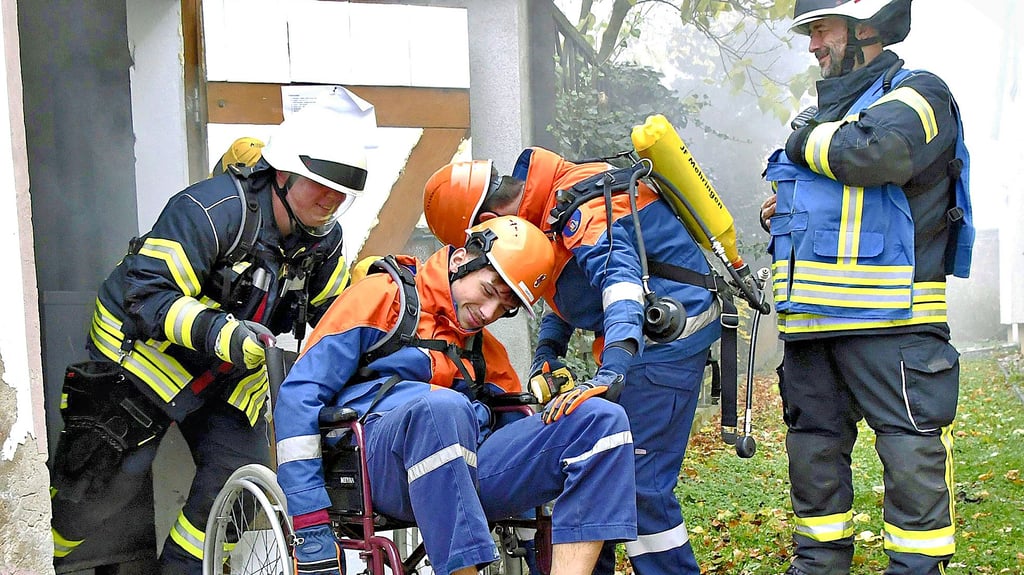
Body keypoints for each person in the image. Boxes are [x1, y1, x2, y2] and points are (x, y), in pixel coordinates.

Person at [49, 103, 373, 574]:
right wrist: (225, 334)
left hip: (229, 376)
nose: (330, 201)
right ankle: (39, 559)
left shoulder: (324, 241)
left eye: (341, 193)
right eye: (320, 185)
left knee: (234, 490)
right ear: (282, 175)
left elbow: (335, 320)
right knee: (98, 491)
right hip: (142, 362)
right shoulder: (208, 210)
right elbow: (146, 297)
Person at [273, 215, 638, 575]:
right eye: (489, 291)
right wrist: (310, 524)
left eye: (505, 308)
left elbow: (521, 437)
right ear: (463, 259)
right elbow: (299, 397)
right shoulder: (381, 297)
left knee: (603, 420)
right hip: (375, 469)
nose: (488, 313)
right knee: (442, 408)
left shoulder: (484, 350)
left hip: (465, 469)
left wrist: (531, 539)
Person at [423, 151, 723, 575]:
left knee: (640, 484)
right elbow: (560, 289)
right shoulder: (547, 206)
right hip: (640, 344)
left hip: (665, 344)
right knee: (593, 463)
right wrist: (548, 351)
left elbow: (619, 286)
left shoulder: (584, 207)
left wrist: (612, 370)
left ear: (488, 219)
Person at [758, 1, 971, 573]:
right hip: (810, 328)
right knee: (814, 460)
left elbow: (879, 154)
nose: (812, 46)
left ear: (866, 29)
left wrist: (801, 144)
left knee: (911, 461)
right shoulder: (822, 114)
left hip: (893, 325)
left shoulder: (919, 95)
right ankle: (818, 566)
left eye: (820, 30)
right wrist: (783, 211)